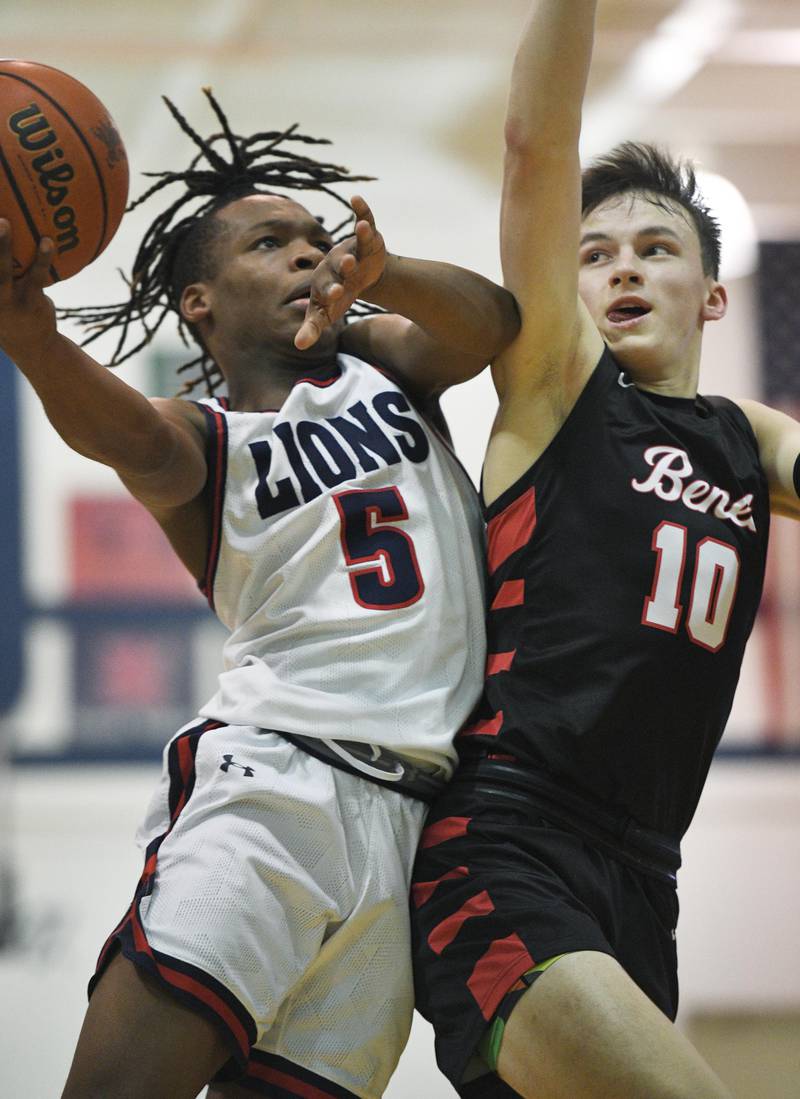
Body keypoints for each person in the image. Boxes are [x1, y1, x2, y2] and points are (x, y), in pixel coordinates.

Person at [0, 90, 519, 1099]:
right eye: (269, 244)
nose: (305, 257)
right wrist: (30, 339)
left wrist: (388, 272)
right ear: (200, 302)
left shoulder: (383, 367)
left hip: (409, 825)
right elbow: (125, 434)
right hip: (275, 789)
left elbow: (490, 325)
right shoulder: (205, 442)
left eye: (316, 241)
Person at [410, 3, 800, 1097]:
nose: (621, 266)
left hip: (642, 876)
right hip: (503, 841)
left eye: (655, 248)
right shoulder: (555, 392)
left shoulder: (745, 438)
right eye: (594, 254)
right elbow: (535, 142)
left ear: (711, 293)